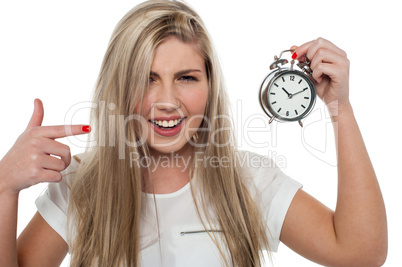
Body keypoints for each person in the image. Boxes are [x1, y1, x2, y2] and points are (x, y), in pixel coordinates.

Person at [0, 0, 387, 266]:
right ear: (118, 87)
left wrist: (341, 108)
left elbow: (360, 253)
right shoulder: (81, 186)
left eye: (186, 78)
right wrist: (4, 188)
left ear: (210, 85)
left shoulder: (246, 181)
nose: (166, 101)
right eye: (145, 79)